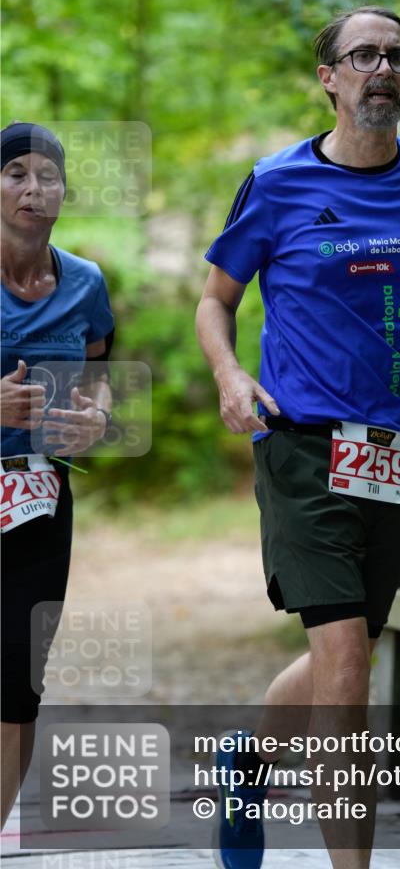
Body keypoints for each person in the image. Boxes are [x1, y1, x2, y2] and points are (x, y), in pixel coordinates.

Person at [196, 5, 400, 869]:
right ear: (328, 77)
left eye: (396, 56)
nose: (381, 69)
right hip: (302, 444)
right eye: (363, 56)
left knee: (346, 652)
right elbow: (215, 300)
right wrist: (229, 376)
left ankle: (245, 761)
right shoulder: (276, 182)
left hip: (395, 449)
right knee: (349, 672)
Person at [0, 122, 114, 827]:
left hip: (38, 496)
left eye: (48, 176)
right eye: (16, 173)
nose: (33, 188)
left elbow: (100, 371)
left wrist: (97, 418)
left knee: (18, 679)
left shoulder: (86, 283)